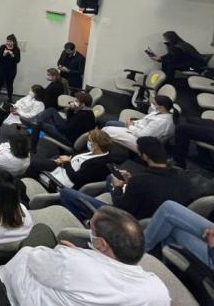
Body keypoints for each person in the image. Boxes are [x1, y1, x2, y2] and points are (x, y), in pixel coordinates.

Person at [0, 207, 170, 306]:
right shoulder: (159, 293)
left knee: (35, 240)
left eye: (91, 226)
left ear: (102, 244)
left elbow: (35, 261)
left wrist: (68, 254)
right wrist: (80, 256)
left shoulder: (72, 263)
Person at [60, 137, 196, 222]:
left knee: (66, 193)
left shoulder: (141, 181)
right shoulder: (182, 176)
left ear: (144, 156)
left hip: (126, 219)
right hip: (152, 213)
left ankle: (85, 221)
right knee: (110, 177)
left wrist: (118, 187)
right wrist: (128, 182)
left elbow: (121, 207)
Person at [29, 129, 113, 189]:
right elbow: (76, 158)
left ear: (96, 146)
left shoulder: (98, 164)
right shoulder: (95, 152)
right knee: (36, 162)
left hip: (61, 182)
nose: (88, 142)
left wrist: (66, 162)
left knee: (33, 166)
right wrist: (66, 160)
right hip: (63, 169)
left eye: (90, 141)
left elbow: (76, 179)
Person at [104, 95, 177, 152]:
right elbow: (144, 120)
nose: (152, 104)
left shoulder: (161, 122)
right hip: (136, 129)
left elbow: (143, 135)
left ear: (162, 107)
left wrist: (130, 126)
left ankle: (104, 149)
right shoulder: (159, 111)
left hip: (142, 141)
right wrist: (133, 123)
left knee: (106, 130)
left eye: (154, 103)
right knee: (110, 123)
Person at [30, 89, 95, 150]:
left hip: (67, 138)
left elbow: (64, 129)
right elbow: (69, 120)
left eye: (77, 101)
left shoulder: (82, 116)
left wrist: (54, 124)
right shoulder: (88, 112)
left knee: (39, 124)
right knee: (52, 110)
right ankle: (36, 121)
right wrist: (71, 109)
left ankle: (32, 148)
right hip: (69, 131)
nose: (74, 102)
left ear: (83, 104)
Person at [0, 34, 21, 104]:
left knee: (10, 84)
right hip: (1, 69)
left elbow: (17, 60)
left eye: (10, 41)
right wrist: (4, 54)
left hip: (11, 70)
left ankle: (9, 98)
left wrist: (12, 55)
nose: (9, 42)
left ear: (14, 42)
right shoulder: (2, 47)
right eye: (8, 41)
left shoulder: (16, 49)